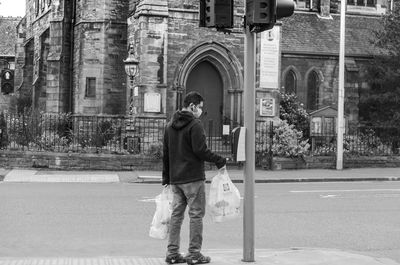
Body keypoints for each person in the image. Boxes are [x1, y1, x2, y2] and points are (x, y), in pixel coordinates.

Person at [162, 91, 226, 265]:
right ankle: (194, 253)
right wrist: (220, 160)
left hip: (176, 179)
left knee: (176, 215)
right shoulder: (195, 125)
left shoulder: (170, 125)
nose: (200, 111)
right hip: (193, 178)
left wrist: (166, 179)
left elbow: (166, 154)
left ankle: (172, 253)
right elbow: (200, 150)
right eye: (200, 107)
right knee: (196, 215)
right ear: (192, 106)